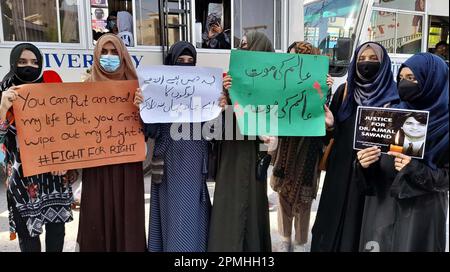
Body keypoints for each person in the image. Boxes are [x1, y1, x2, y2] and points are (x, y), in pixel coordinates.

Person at [311, 42, 400, 252]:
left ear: (384, 63)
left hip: (372, 177)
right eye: (361, 59)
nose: (366, 63)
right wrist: (331, 126)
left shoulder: (394, 98)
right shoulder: (345, 92)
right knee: (330, 226)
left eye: (373, 59)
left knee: (359, 228)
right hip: (339, 173)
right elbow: (327, 137)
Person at [356, 53, 448, 252]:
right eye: (402, 78)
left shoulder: (446, 126)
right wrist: (364, 163)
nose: (404, 84)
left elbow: (446, 179)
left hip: (421, 213)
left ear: (434, 81)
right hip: (382, 206)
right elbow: (373, 164)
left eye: (412, 78)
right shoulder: (390, 115)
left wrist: (414, 169)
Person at [134, 41, 212, 252]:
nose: (186, 65)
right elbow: (151, 131)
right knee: (173, 216)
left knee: (192, 215)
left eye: (190, 61)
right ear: (171, 62)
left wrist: (219, 106)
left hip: (195, 166)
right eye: (180, 61)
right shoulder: (159, 91)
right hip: (169, 166)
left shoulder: (202, 93)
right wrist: (143, 106)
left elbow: (212, 130)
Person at [0, 43, 75, 252]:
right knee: (28, 238)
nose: (29, 67)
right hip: (22, 183)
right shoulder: (4, 93)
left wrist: (66, 162)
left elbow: (68, 129)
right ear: (13, 63)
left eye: (34, 62)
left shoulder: (51, 89)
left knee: (56, 237)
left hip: (54, 178)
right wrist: (3, 107)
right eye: (22, 62)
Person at [76, 34, 146, 252]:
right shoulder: (84, 87)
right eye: (104, 52)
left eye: (114, 52)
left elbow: (150, 129)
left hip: (127, 166)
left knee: (128, 219)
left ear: (123, 55)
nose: (109, 57)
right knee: (97, 217)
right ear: (96, 55)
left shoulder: (137, 86)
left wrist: (142, 108)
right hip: (97, 168)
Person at [208, 32, 274, 252]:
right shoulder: (230, 83)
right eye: (240, 45)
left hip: (255, 155)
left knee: (253, 209)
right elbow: (216, 132)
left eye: (247, 46)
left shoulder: (274, 86)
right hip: (232, 153)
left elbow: (273, 132)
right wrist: (224, 102)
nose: (241, 50)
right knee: (229, 202)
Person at [270, 41, 334, 252]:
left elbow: (326, 119)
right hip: (285, 151)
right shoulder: (283, 84)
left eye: (297, 56)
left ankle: (300, 243)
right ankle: (285, 240)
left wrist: (326, 88)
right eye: (290, 56)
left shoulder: (320, 85)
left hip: (308, 153)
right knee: (283, 198)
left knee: (304, 202)